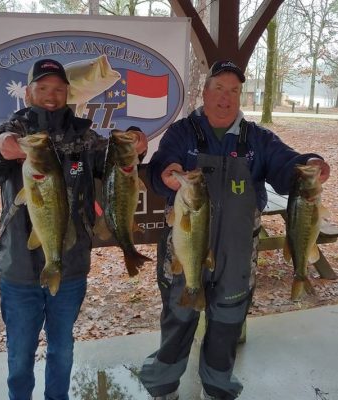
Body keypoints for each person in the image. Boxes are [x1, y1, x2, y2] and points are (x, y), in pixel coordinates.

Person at [139, 60, 330, 400]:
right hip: (187, 247)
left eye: (233, 91)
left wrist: (311, 162)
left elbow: (289, 167)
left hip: (237, 252)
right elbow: (158, 170)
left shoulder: (257, 138)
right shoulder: (182, 132)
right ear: (205, 91)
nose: (225, 98)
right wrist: (166, 173)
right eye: (219, 89)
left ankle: (218, 387)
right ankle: (163, 386)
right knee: (179, 316)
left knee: (228, 321)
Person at [0, 58, 147, 400]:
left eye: (59, 89)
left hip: (71, 265)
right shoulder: (14, 133)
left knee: (62, 350)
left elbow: (116, 159)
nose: (51, 95)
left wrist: (137, 140)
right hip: (18, 267)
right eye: (43, 87)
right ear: (29, 92)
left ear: (68, 93)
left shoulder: (84, 138)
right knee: (19, 355)